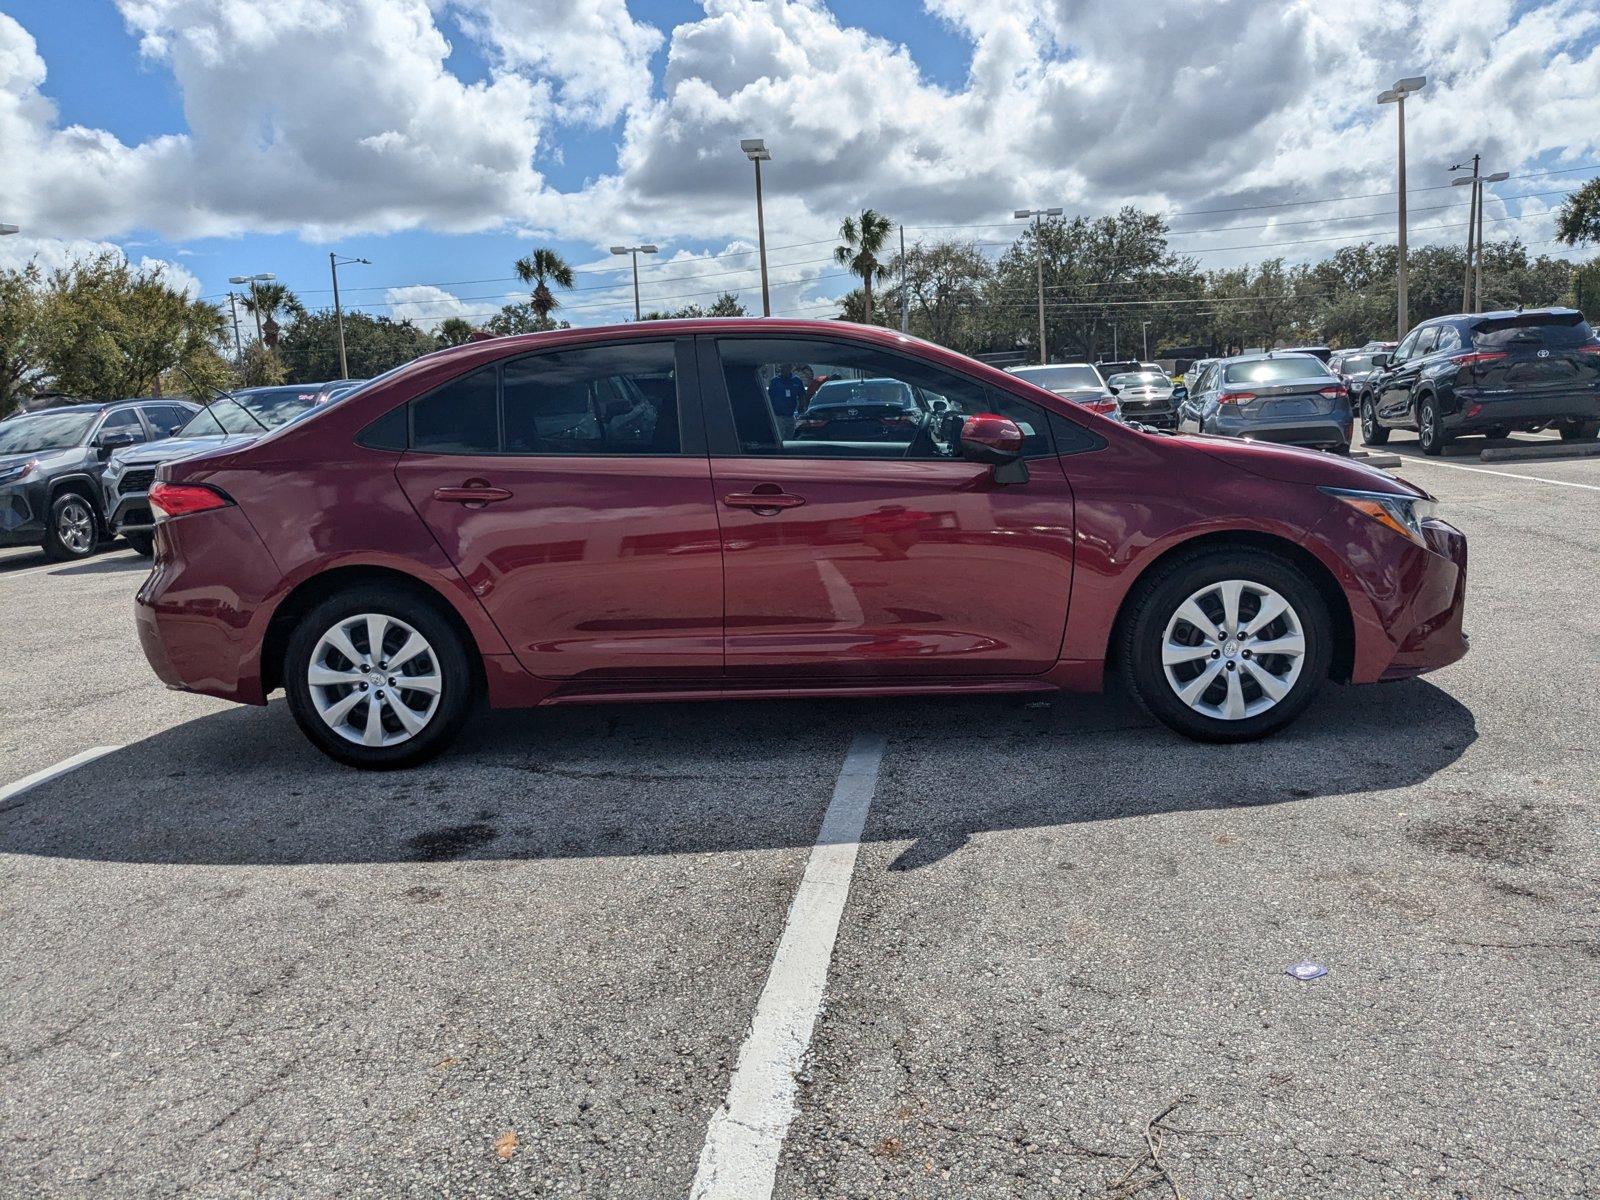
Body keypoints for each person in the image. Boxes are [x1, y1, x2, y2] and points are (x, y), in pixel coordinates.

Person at [767, 364, 808, 435]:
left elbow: (802, 396)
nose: (784, 370)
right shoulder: (774, 381)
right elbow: (769, 398)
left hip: (791, 416)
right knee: (780, 437)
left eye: (786, 368)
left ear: (790, 368)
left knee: (790, 437)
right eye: (782, 368)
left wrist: (801, 408)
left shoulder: (797, 381)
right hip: (778, 416)